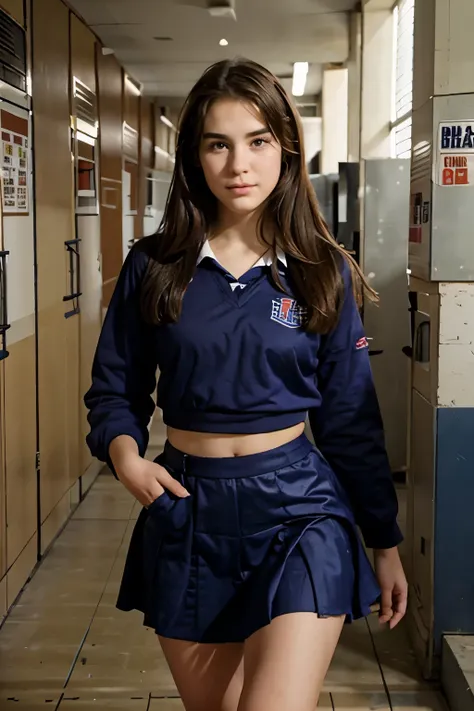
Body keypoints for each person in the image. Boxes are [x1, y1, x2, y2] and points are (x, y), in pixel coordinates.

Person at [84, 58, 408, 711]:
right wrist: (124, 456)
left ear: (286, 150)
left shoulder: (322, 273)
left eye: (258, 141)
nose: (240, 163)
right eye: (218, 143)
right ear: (194, 156)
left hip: (298, 508)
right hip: (188, 508)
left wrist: (385, 539)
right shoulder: (155, 267)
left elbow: (350, 414)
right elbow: (114, 388)